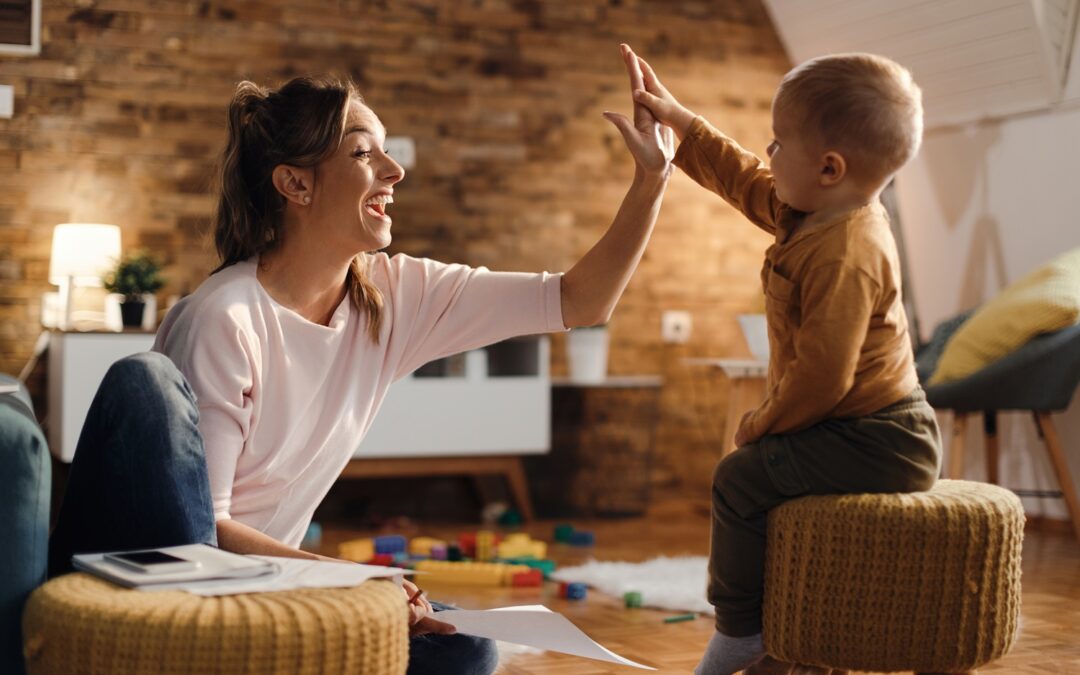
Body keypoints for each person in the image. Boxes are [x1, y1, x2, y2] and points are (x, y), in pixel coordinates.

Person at [47, 45, 673, 674]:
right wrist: (351, 581)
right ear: (296, 184)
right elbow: (205, 533)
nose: (394, 171)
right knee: (146, 382)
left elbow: (579, 300)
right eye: (363, 153)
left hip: (270, 590)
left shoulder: (394, 296)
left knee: (465, 648)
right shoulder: (225, 317)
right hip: (180, 583)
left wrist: (651, 182)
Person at [624, 46, 943, 674]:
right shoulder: (810, 211)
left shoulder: (847, 250)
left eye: (777, 143)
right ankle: (791, 633)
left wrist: (761, 423)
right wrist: (680, 122)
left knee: (740, 478)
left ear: (828, 167)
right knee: (768, 488)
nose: (767, 153)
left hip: (882, 438)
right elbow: (741, 177)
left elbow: (824, 376)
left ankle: (741, 629)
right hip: (848, 426)